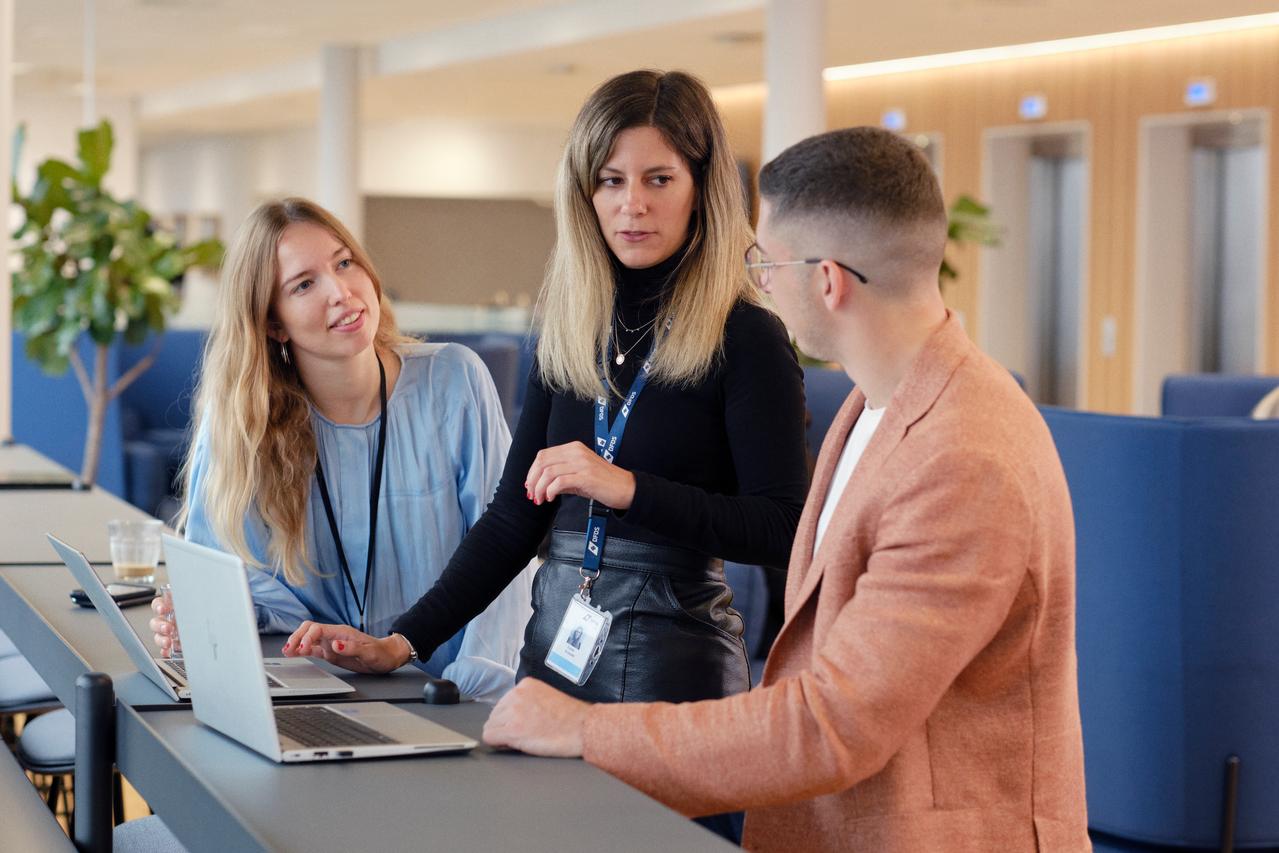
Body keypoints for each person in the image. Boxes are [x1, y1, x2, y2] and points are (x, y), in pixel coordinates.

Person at [481, 127, 1091, 852]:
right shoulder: (877, 405)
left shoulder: (963, 456)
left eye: (764, 262)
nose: (758, 280)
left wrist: (584, 729)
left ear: (826, 279)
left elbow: (831, 724)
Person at [282, 69, 808, 710]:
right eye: (610, 181)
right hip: (554, 655)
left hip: (672, 674)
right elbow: (512, 519)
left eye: (658, 179)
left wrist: (628, 489)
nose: (631, 204)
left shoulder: (747, 335)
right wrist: (402, 641)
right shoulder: (575, 325)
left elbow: (783, 528)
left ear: (702, 188)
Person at [149, 197, 533, 701]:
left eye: (344, 263)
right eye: (304, 284)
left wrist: (467, 695)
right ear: (273, 323)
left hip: (449, 691)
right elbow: (232, 575)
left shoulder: (454, 381)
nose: (342, 292)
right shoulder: (244, 424)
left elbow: (504, 562)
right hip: (318, 691)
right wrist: (199, 614)